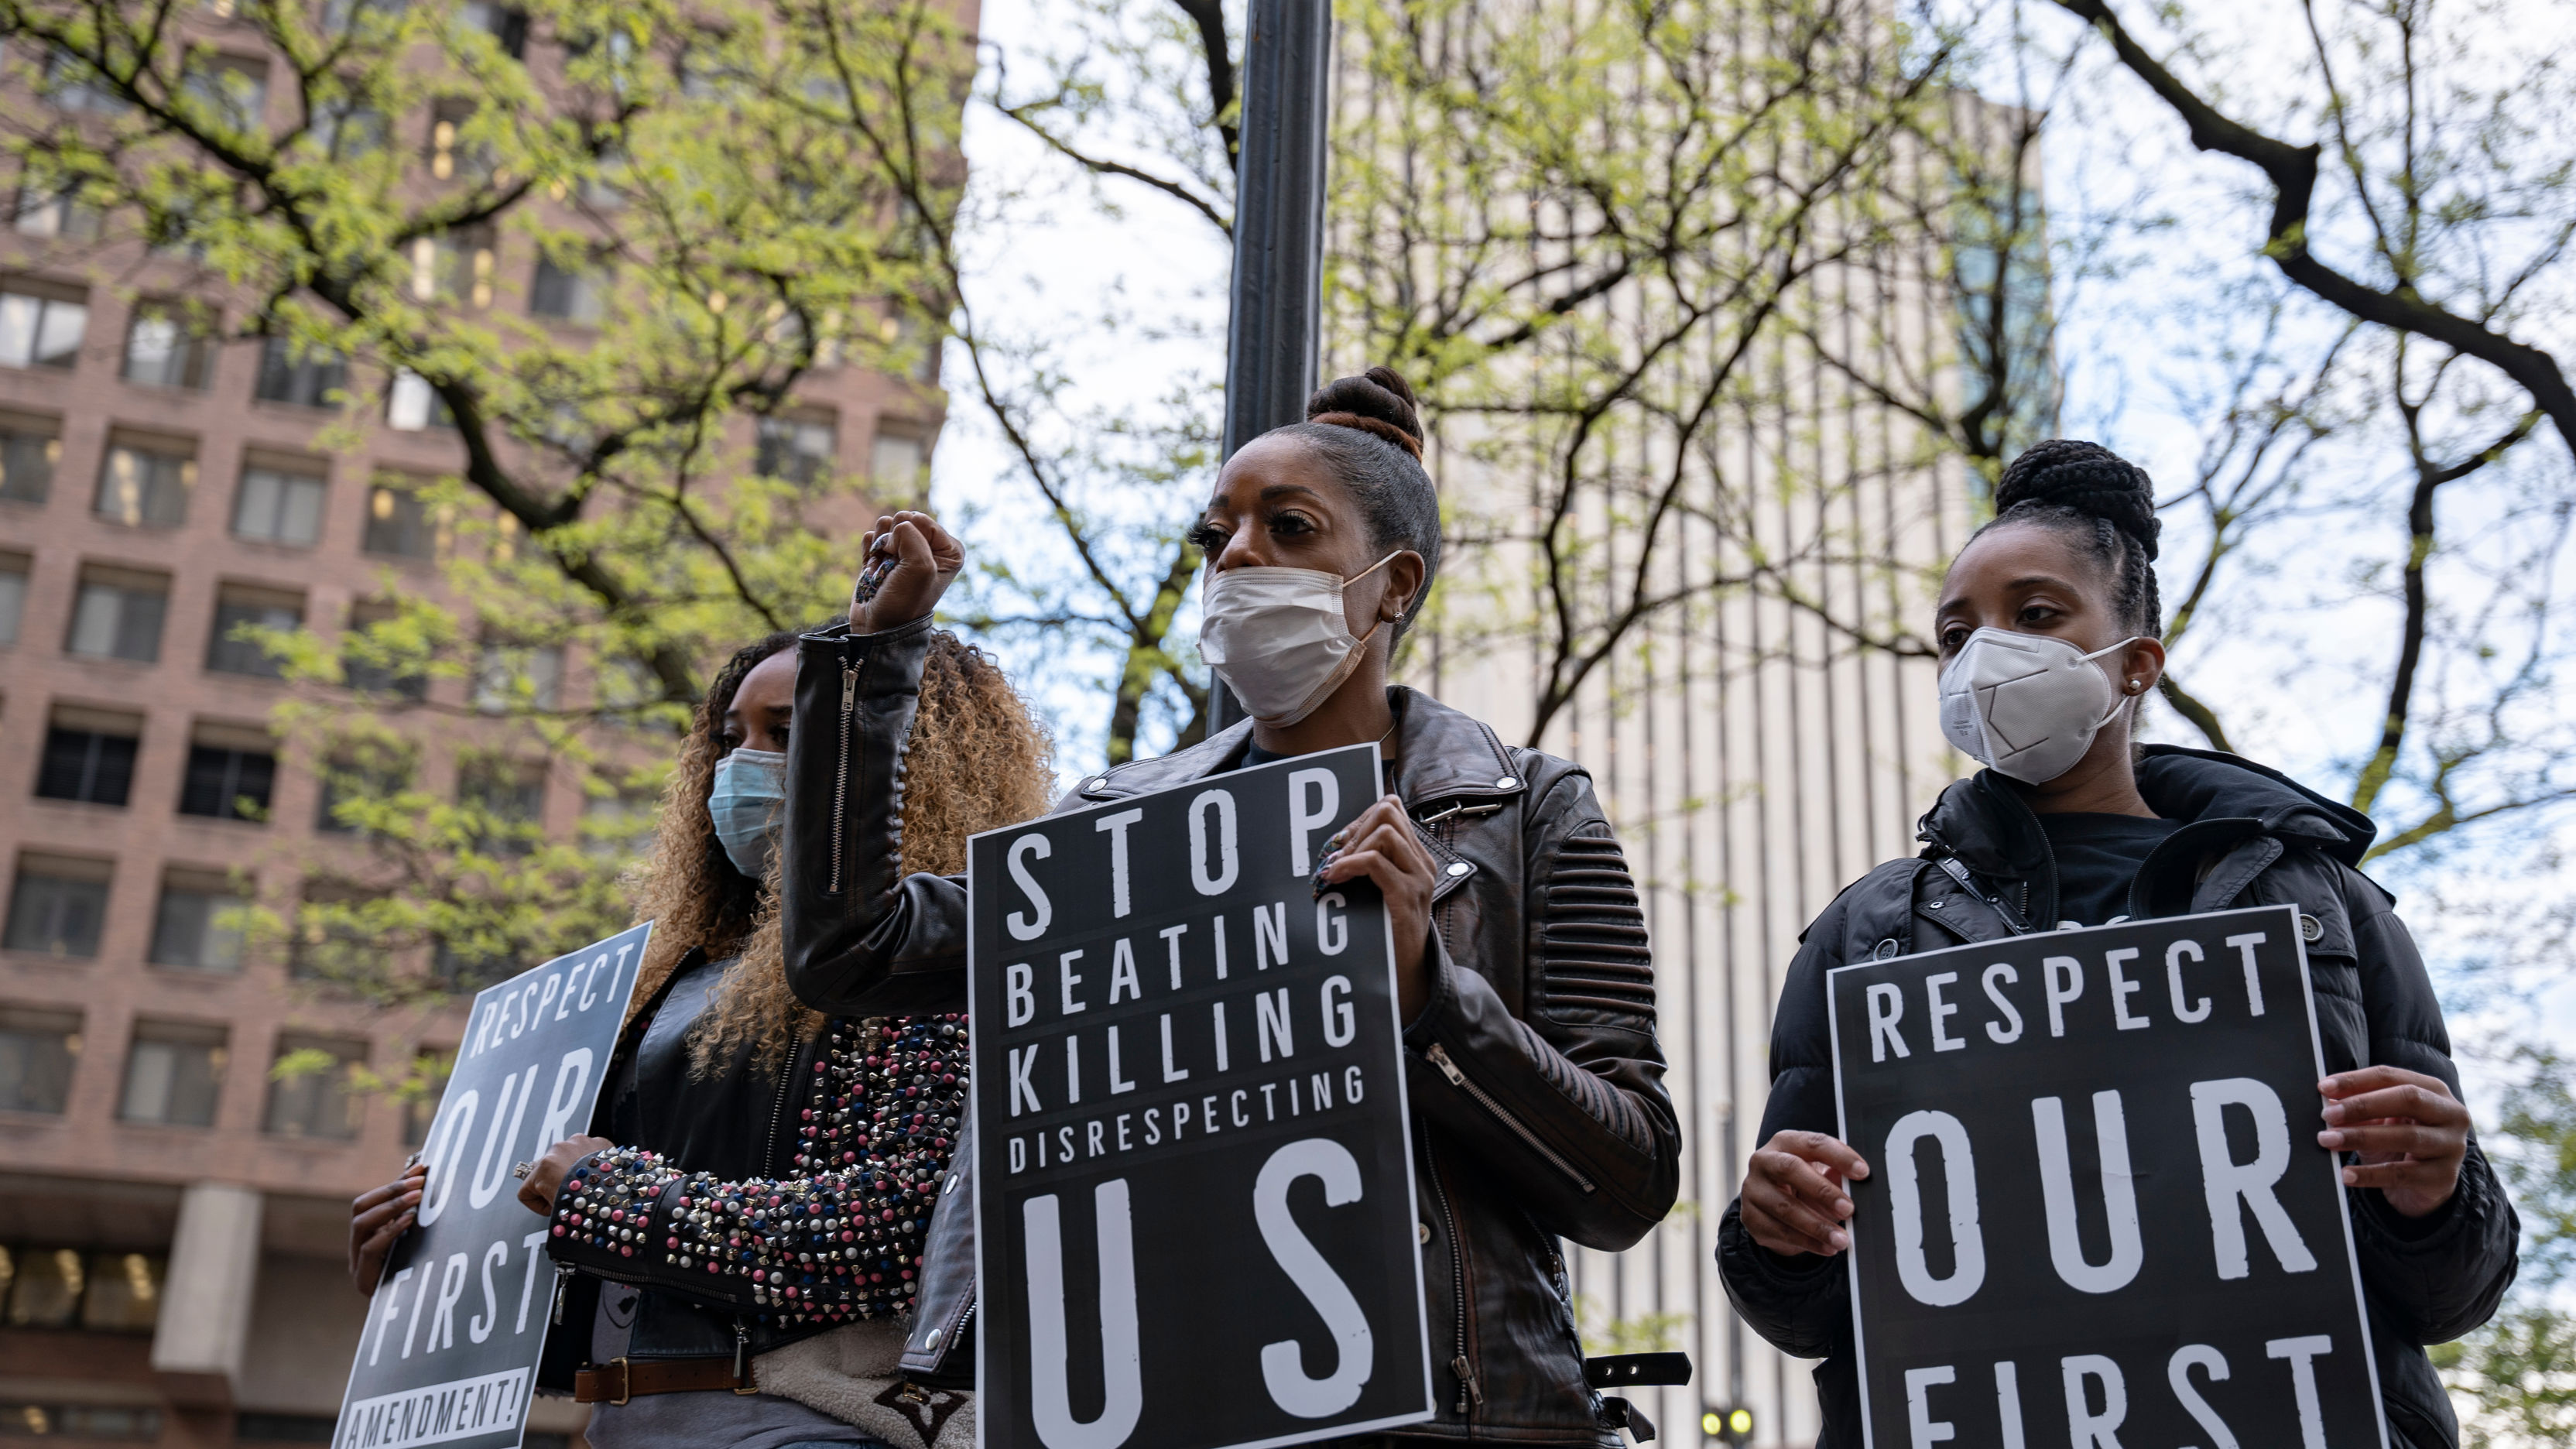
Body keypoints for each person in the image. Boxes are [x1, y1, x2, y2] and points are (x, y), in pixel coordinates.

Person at [777, 367, 1682, 1444]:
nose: (1239, 557)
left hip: (1455, 1420)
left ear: (1393, 585)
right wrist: (871, 664)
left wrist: (1431, 1002)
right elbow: (852, 951)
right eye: (1217, 539)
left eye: (1289, 528)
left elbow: (1628, 1177)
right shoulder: (1109, 829)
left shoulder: (1526, 809)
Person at [1714, 440, 2520, 1447]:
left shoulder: (2326, 906)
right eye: (1955, 636)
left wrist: (2437, 1194)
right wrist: (1774, 1236)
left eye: (2037, 616)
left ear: (2137, 663)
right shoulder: (1868, 934)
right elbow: (1806, 1318)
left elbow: (2456, 1294)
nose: (1985, 657)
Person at [347, 624, 1053, 1449]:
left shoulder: (935, 962)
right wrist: (424, 1275)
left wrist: (613, 1199)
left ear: (903, 762)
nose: (740, 764)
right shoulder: (665, 983)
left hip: (810, 1426)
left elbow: (902, 1231)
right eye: (729, 740)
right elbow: (616, 1299)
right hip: (626, 1423)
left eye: (786, 735)